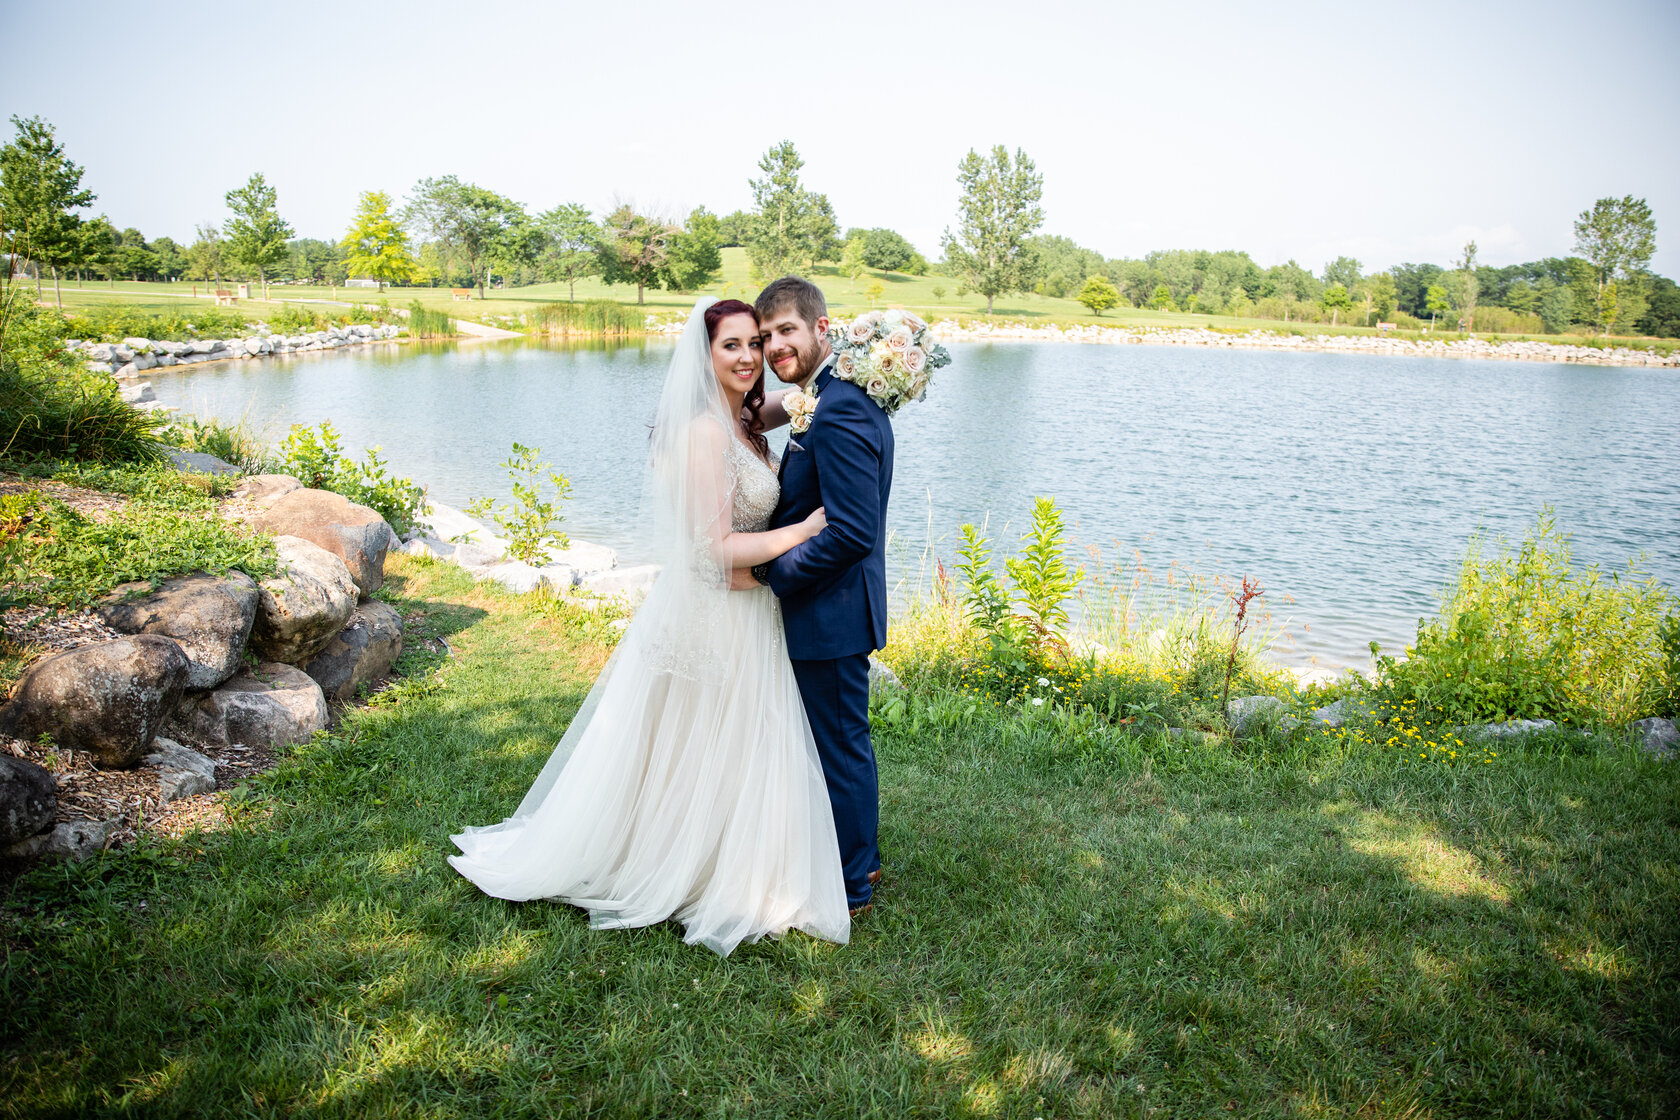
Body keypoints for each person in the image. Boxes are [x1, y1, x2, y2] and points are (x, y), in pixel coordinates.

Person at [448, 297, 849, 957]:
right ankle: (683, 864)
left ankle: (735, 859)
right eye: (733, 346)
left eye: (756, 343)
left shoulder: (745, 417)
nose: (750, 357)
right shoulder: (703, 433)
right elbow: (713, 548)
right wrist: (801, 532)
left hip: (747, 604)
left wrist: (867, 370)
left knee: (734, 741)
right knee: (701, 741)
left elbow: (808, 393)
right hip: (716, 607)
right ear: (705, 354)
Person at [742, 277, 894, 917]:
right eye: (765, 335)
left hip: (830, 609)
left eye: (786, 332)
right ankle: (860, 861)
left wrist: (778, 572)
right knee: (834, 741)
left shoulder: (841, 408)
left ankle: (853, 883)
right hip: (828, 606)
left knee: (839, 746)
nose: (775, 345)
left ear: (821, 329)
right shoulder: (823, 396)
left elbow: (853, 532)